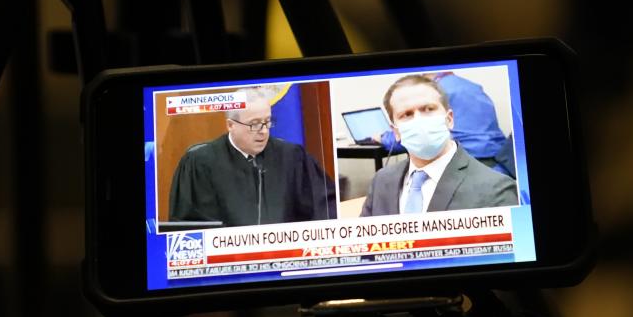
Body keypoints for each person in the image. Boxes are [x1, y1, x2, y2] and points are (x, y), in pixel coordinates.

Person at [169, 88, 337, 227]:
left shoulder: (292, 157)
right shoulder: (200, 164)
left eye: (268, 121)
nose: (263, 131)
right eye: (255, 124)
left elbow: (324, 208)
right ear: (230, 125)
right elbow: (191, 227)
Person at [360, 75, 518, 216]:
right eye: (406, 114)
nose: (419, 121)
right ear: (396, 132)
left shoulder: (497, 189)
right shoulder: (381, 180)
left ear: (449, 119)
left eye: (428, 109)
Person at [373, 71, 513, 176]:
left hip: (466, 166)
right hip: (500, 165)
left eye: (428, 109)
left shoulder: (433, 91)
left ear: (449, 118)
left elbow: (419, 132)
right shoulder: (474, 87)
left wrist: (384, 138)